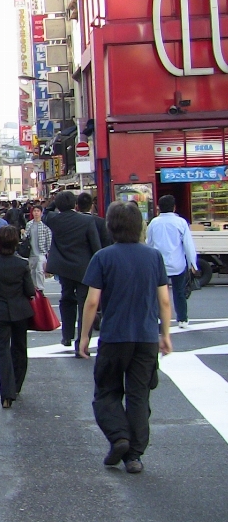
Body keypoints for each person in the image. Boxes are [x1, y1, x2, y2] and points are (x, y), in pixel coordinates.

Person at [79, 201, 172, 475]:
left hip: (114, 336)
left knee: (106, 392)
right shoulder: (153, 257)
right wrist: (164, 334)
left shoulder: (103, 257)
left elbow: (92, 301)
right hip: (145, 336)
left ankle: (119, 436)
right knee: (139, 395)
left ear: (111, 226)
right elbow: (164, 301)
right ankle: (134, 456)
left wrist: (84, 335)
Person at [0, 226, 36, 409]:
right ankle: (17, 385)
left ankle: (6, 393)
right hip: (20, 310)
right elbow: (29, 290)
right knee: (20, 348)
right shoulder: (22, 264)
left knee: (2, 351)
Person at [44, 190, 102, 355]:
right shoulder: (86, 220)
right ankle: (82, 343)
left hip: (64, 268)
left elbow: (46, 212)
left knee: (67, 299)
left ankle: (67, 335)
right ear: (75, 205)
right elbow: (96, 246)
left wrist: (54, 201)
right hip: (84, 268)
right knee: (85, 305)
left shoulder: (55, 220)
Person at [146, 194, 197, 329]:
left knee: (157, 292)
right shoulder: (181, 222)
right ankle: (182, 319)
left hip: (158, 265)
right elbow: (188, 245)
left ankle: (157, 317)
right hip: (178, 263)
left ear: (159, 208)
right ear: (174, 208)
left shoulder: (153, 223)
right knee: (179, 291)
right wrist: (193, 263)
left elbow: (149, 244)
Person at [25, 205, 52, 290]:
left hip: (41, 252)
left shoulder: (45, 225)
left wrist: (49, 253)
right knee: (32, 272)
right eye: (34, 211)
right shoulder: (29, 224)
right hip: (31, 253)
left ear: (41, 213)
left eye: (38, 211)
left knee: (39, 271)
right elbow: (25, 238)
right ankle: (34, 289)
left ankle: (40, 289)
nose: (36, 213)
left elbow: (49, 239)